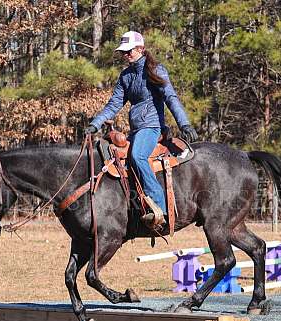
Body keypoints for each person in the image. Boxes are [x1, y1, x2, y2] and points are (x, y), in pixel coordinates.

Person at [84, 31, 198, 228]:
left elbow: (171, 98)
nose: (126, 55)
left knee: (137, 156)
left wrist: (184, 123)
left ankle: (159, 208)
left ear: (140, 49)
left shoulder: (156, 70)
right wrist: (96, 122)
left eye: (129, 51)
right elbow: (113, 105)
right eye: (124, 52)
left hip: (153, 127)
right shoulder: (126, 76)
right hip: (136, 131)